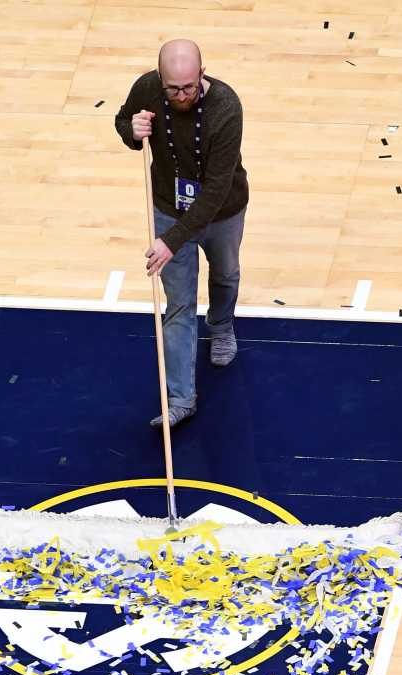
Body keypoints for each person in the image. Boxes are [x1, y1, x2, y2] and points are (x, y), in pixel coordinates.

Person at [115, 40, 249, 428]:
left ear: (202, 74)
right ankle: (180, 399)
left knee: (225, 274)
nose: (181, 95)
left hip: (221, 211)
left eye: (188, 87)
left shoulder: (227, 107)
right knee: (178, 304)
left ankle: (221, 326)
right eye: (173, 89)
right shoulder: (147, 89)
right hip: (168, 209)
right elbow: (124, 120)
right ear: (161, 80)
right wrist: (130, 129)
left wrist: (171, 241)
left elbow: (217, 188)